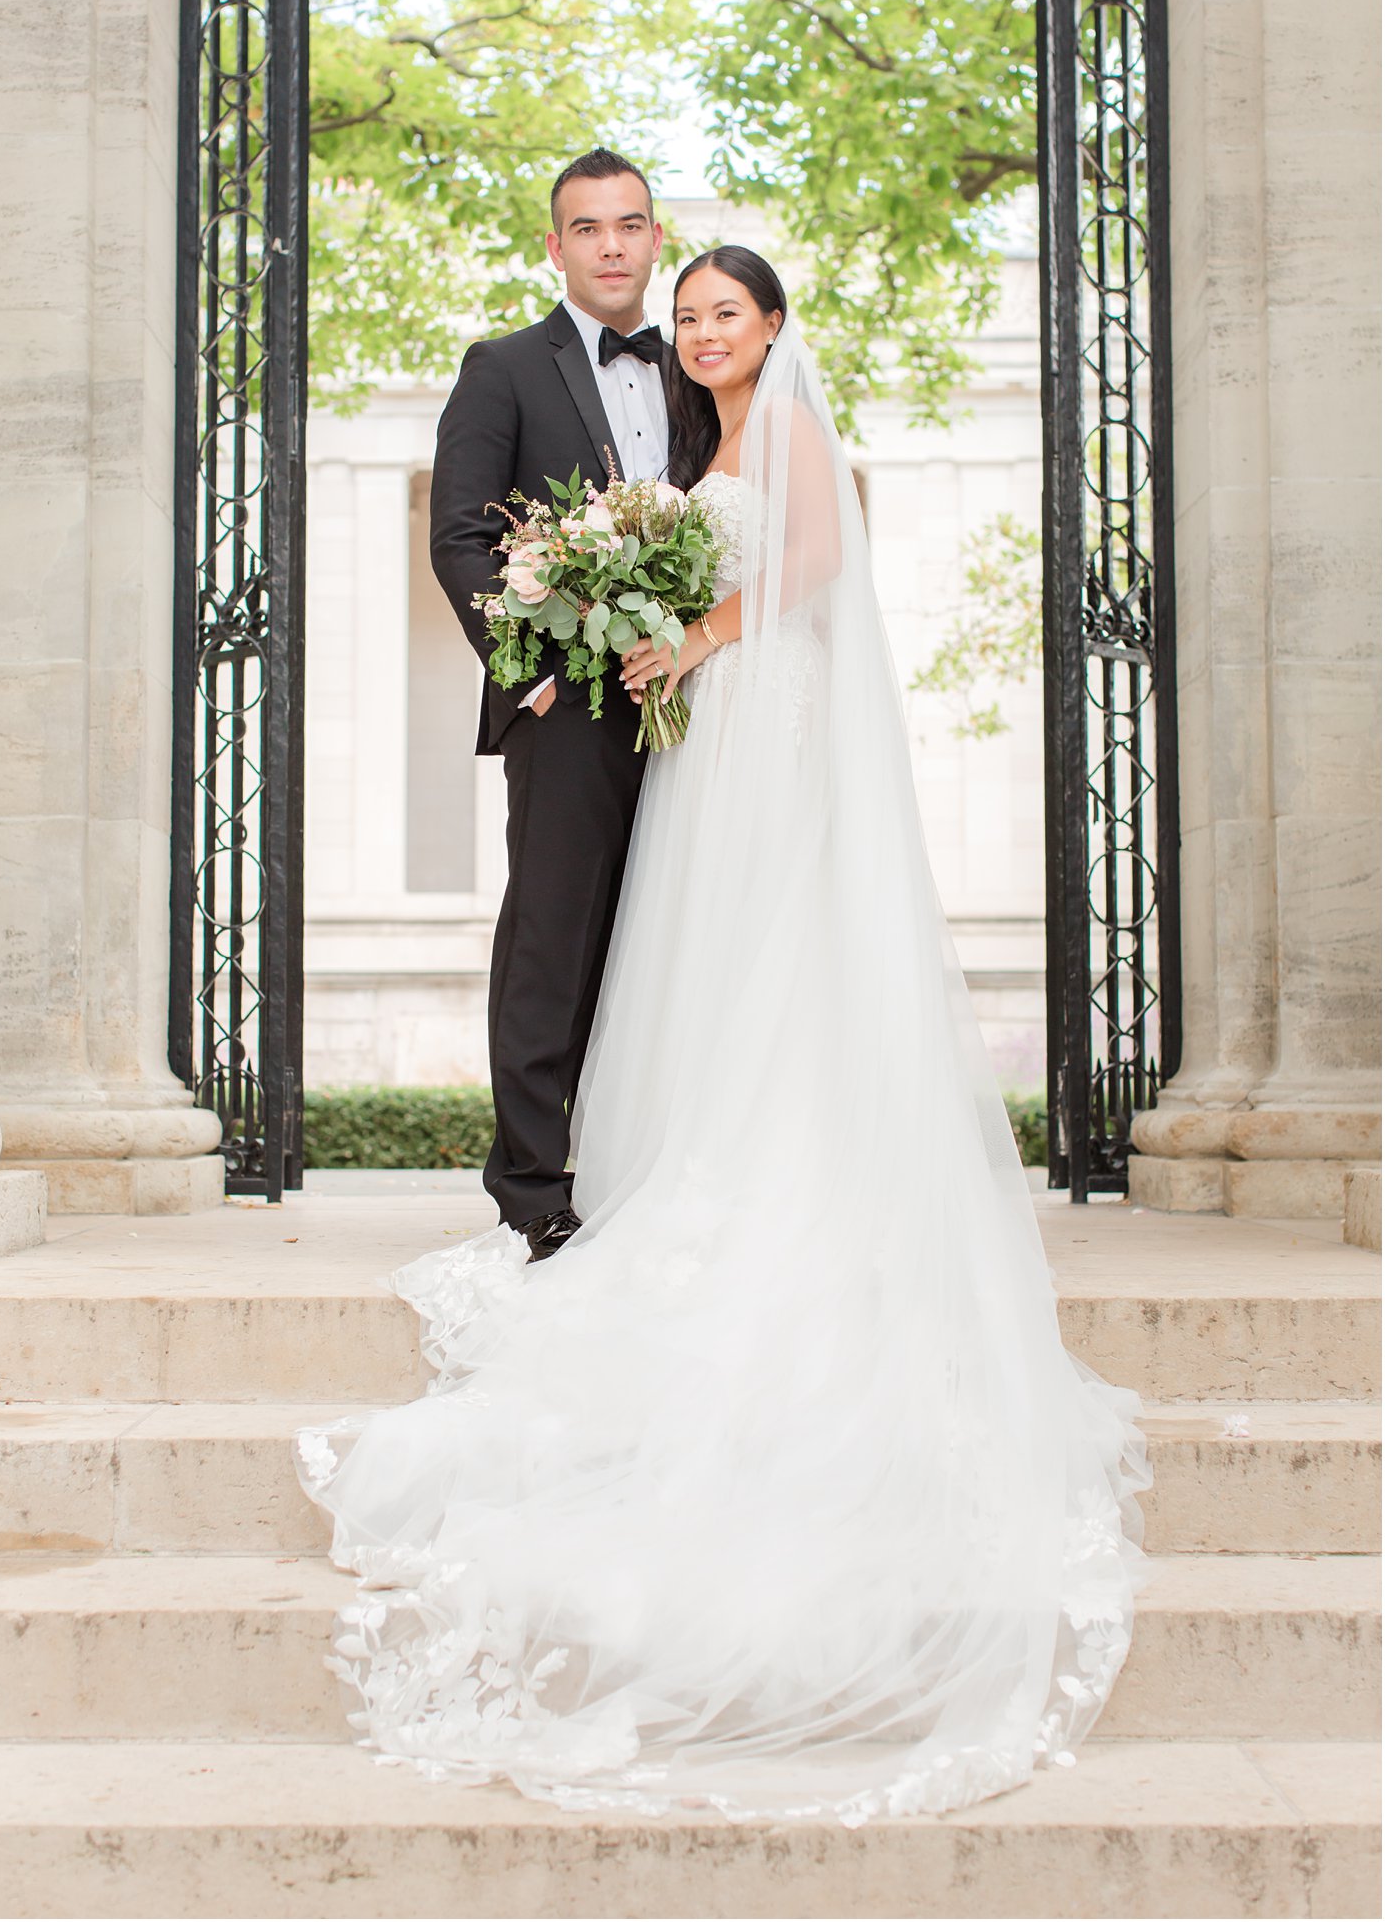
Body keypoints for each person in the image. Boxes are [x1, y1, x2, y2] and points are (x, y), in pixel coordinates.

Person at [296, 245, 1150, 1827]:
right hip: (700, 734)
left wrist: (694, 635)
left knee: (771, 955)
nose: (694, 328)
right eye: (683, 314)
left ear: (770, 327)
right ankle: (649, 1171)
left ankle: (784, 1190)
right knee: (683, 961)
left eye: (720, 312)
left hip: (762, 717)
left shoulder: (787, 437)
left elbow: (813, 565)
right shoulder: (687, 438)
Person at [427, 148, 670, 1261]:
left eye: (628, 225)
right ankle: (531, 1186)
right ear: (554, 246)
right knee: (554, 936)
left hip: (696, 699)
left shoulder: (699, 371)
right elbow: (461, 537)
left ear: (655, 239)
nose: (610, 245)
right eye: (587, 228)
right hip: (566, 699)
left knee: (674, 928)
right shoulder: (503, 368)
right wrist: (529, 666)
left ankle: (657, 1167)